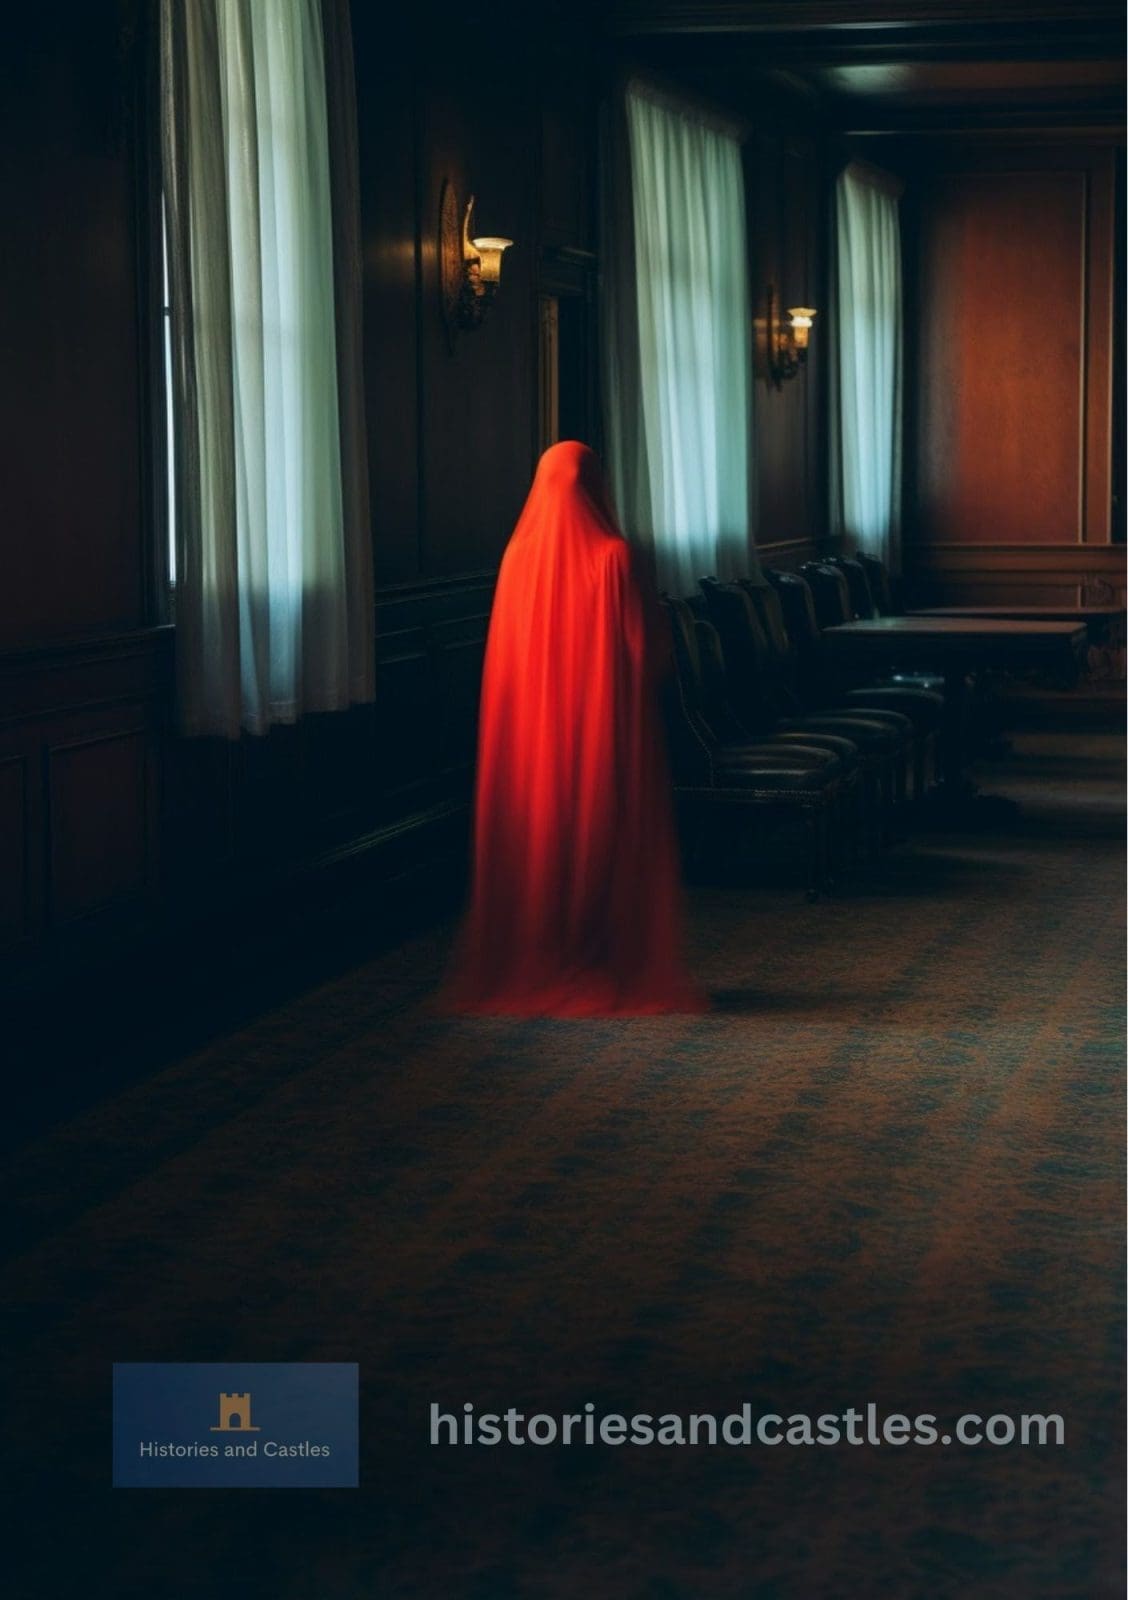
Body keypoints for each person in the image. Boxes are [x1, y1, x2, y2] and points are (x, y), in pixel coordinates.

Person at [445, 440, 704, 1016]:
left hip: (528, 738)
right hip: (603, 729)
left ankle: (533, 953)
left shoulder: (517, 557)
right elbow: (650, 653)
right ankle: (602, 956)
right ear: (594, 484)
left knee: (539, 835)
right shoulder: (614, 556)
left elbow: (504, 662)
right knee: (601, 830)